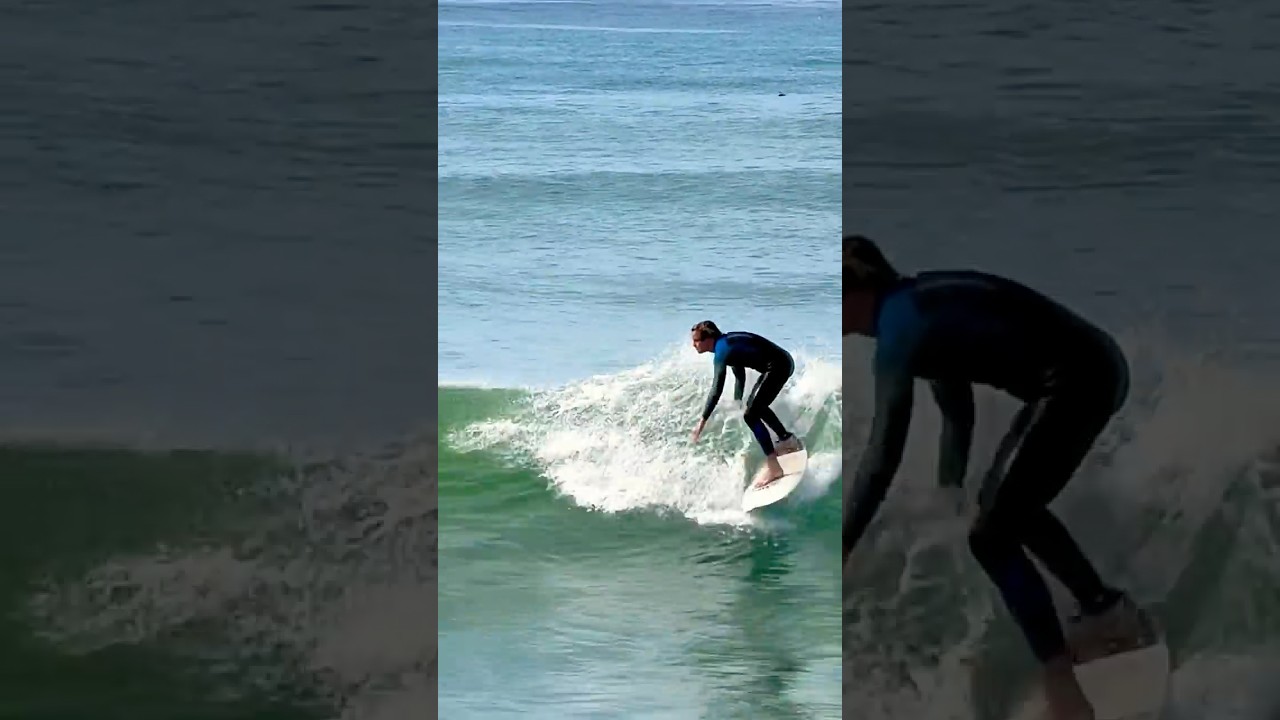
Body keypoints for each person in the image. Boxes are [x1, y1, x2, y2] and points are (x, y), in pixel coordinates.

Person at [841, 235, 1140, 720]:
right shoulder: (918, 305)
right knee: (1004, 508)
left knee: (992, 535)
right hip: (1090, 368)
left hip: (1075, 381)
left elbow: (885, 446)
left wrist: (845, 539)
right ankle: (1106, 613)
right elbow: (957, 409)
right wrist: (948, 492)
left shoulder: (899, 331)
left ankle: (1061, 678)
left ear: (854, 294)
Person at [689, 320, 803, 486]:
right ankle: (786, 440)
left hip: (778, 367)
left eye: (696, 341)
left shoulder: (722, 352)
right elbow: (739, 373)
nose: (693, 345)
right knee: (755, 406)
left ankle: (774, 467)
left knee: (751, 415)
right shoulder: (726, 343)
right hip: (782, 362)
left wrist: (702, 421)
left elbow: (716, 388)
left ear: (708, 340)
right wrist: (737, 401)